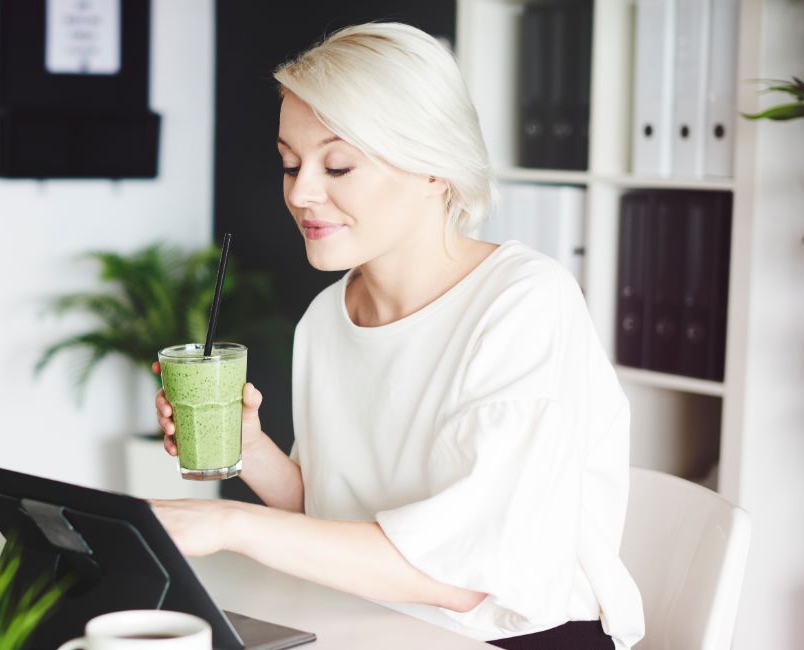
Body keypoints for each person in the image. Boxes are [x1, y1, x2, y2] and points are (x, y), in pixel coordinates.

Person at [148, 22, 645, 650]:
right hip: (371, 618)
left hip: (511, 638)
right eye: (290, 164)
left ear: (434, 166)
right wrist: (248, 447)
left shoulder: (524, 304)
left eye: (338, 165)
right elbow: (332, 517)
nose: (301, 193)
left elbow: (464, 576)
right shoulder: (327, 318)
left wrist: (228, 522)